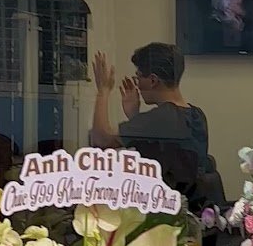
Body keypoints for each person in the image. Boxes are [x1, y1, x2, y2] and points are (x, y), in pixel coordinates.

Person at [90, 42, 225, 208]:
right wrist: (134, 116)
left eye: (139, 76)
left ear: (153, 80)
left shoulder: (162, 118)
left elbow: (101, 139)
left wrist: (103, 90)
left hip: (165, 217)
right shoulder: (196, 115)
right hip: (193, 212)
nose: (137, 83)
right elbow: (164, 149)